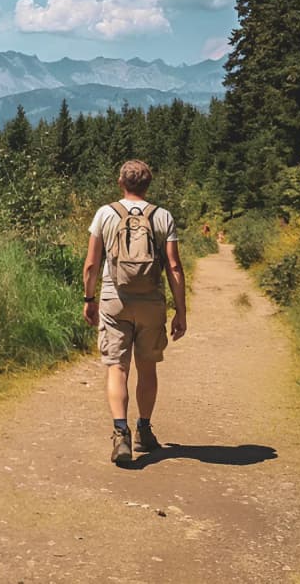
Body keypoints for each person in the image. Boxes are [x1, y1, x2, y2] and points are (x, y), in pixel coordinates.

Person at [82, 160, 187, 464]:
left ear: (120, 183)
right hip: (152, 301)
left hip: (115, 300)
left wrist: (89, 299)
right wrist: (180, 311)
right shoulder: (162, 216)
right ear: (148, 184)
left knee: (118, 367)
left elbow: (91, 264)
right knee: (147, 367)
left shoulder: (105, 213)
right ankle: (144, 429)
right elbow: (174, 267)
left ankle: (120, 435)